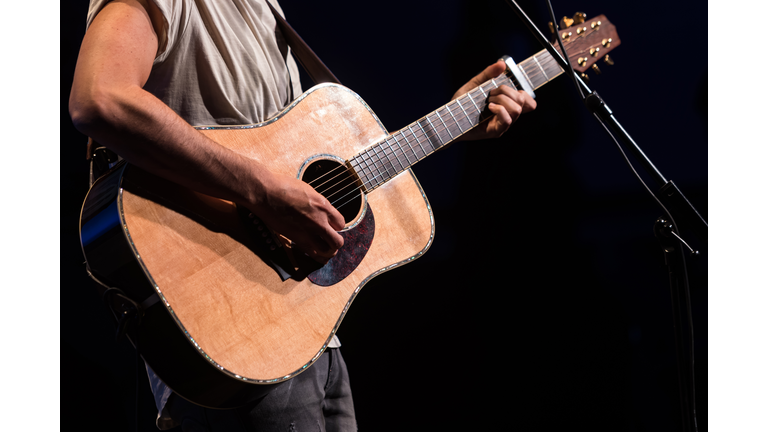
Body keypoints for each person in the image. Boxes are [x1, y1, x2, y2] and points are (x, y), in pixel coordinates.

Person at [69, 0, 536, 430]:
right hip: (232, 327)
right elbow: (100, 99)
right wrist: (263, 191)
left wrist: (455, 120)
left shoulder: (264, 9)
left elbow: (307, 168)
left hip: (307, 333)